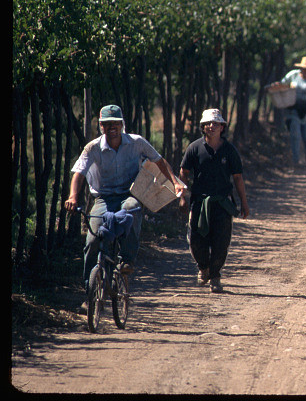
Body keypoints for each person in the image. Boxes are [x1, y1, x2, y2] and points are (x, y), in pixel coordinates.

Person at [65, 104, 183, 308]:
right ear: (101, 126)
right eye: (107, 124)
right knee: (92, 240)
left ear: (122, 125)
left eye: (116, 123)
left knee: (132, 208)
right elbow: (79, 173)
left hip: (130, 193)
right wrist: (73, 196)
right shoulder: (92, 147)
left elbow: (159, 161)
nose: (112, 127)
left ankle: (127, 259)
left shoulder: (137, 142)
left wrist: (174, 182)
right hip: (103, 198)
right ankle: (90, 295)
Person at [179, 108, 249, 293]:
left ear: (222, 127)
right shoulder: (194, 148)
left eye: (216, 123)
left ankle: (215, 276)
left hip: (222, 202)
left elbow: (238, 178)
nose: (212, 126)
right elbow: (183, 173)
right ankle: (204, 268)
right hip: (199, 201)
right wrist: (182, 198)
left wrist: (244, 202)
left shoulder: (229, 150)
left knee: (221, 241)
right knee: (196, 240)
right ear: (203, 127)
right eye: (208, 124)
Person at [277, 56, 306, 167]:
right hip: (294, 110)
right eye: (304, 68)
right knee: (295, 136)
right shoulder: (293, 75)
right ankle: (295, 161)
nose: (305, 71)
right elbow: (282, 85)